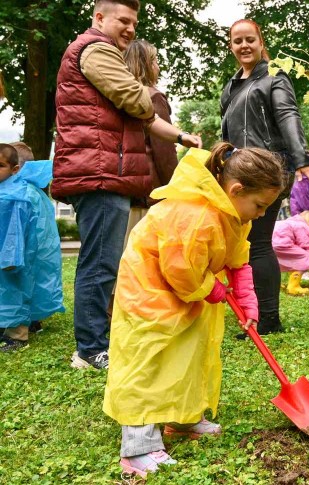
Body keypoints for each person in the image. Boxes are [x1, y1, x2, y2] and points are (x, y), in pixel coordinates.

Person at [103, 143, 284, 477]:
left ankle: (182, 419)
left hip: (187, 289)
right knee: (149, 360)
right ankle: (138, 448)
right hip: (150, 291)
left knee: (188, 352)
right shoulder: (196, 214)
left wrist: (247, 300)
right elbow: (181, 271)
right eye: (259, 205)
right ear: (236, 189)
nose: (261, 214)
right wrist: (214, 289)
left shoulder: (235, 215)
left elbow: (238, 259)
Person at [53, 0, 202, 370]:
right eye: (123, 20)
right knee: (100, 264)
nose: (130, 29)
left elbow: (142, 115)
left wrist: (181, 137)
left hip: (105, 172)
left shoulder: (101, 52)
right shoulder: (95, 49)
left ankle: (95, 342)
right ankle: (90, 349)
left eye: (134, 23)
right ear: (99, 17)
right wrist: (142, 89)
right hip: (101, 173)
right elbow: (137, 100)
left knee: (103, 262)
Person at [221, 18, 309, 336]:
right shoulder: (230, 86)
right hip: (240, 171)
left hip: (268, 170)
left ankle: (268, 318)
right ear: (231, 46)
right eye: (237, 41)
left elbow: (287, 115)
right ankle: (254, 311)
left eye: (249, 39)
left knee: (258, 243)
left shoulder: (274, 77)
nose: (244, 45)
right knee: (244, 244)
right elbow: (227, 134)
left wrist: (301, 159)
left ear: (261, 42)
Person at [0, 144, 64, 351]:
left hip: (15, 255)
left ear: (16, 168)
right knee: (32, 283)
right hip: (35, 252)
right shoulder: (32, 190)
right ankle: (32, 321)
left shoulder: (14, 194)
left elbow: (12, 232)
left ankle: (17, 336)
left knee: (14, 288)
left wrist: (9, 258)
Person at [122, 39, 179, 234]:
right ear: (145, 65)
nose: (158, 66)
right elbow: (164, 152)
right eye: (155, 61)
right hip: (151, 193)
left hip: (125, 189)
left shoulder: (120, 97)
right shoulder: (153, 97)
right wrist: (176, 188)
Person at [274, 211, 309, 295]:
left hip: (269, 245)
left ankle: (274, 284)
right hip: (283, 245)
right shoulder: (302, 226)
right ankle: (293, 287)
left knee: (272, 264)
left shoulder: (288, 222)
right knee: (304, 260)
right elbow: (305, 245)